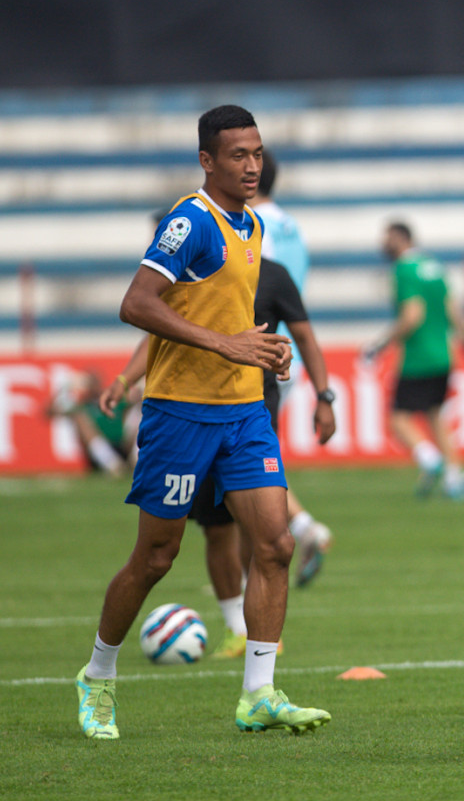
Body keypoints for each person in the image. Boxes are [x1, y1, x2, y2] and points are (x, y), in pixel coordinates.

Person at [74, 105, 329, 739]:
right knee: (156, 557)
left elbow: (224, 316)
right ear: (206, 161)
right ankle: (98, 675)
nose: (252, 165)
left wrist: (266, 348)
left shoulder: (253, 226)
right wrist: (226, 346)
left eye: (258, 153)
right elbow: (137, 303)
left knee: (275, 543)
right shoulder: (190, 221)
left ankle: (259, 693)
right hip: (179, 415)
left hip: (244, 412)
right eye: (238, 155)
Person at [102, 254, 338, 656]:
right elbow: (150, 323)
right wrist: (127, 378)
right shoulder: (189, 261)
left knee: (271, 539)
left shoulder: (273, 273)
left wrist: (322, 393)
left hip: (253, 411)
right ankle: (233, 628)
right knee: (190, 540)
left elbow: (302, 336)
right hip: (189, 415)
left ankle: (260, 673)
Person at [246, 151, 334, 582]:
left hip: (260, 354)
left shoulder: (252, 228)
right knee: (257, 461)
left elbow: (252, 285)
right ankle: (300, 528)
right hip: (286, 346)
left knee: (244, 469)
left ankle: (251, 574)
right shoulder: (291, 225)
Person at [368, 222, 464, 499]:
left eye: (388, 238)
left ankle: (429, 459)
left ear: (401, 239)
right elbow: (453, 309)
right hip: (444, 354)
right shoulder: (433, 267)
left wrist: (381, 344)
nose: (384, 244)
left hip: (418, 357)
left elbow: (412, 315)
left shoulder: (403, 270)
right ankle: (454, 479)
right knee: (435, 415)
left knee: (398, 419)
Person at [51, 369, 136, 477]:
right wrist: (65, 388)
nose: (94, 386)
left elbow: (137, 401)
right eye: (90, 383)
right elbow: (51, 411)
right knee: (79, 417)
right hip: (100, 457)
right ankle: (113, 465)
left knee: (140, 415)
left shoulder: (115, 399)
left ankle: (136, 461)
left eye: (95, 382)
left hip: (122, 445)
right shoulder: (82, 405)